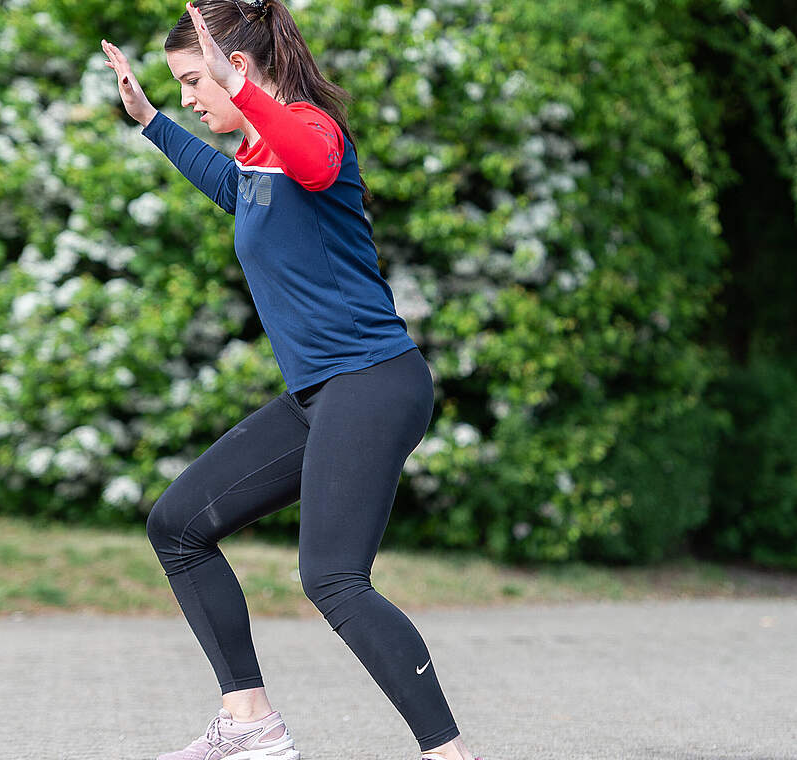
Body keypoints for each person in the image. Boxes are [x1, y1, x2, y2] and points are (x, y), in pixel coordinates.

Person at [100, 2, 483, 759]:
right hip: (320, 393)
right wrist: (150, 121)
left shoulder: (310, 130)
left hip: (373, 381)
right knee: (177, 526)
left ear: (236, 69)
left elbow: (308, 162)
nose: (188, 96)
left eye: (192, 81)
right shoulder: (254, 158)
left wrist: (240, 96)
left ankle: (449, 754)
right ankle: (250, 721)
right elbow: (236, 189)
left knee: (334, 577)